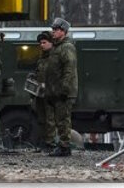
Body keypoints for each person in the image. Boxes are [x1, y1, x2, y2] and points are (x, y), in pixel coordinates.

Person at [46, 17, 78, 157]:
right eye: (53, 29)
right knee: (60, 119)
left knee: (63, 119)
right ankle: (63, 145)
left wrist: (64, 89)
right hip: (57, 90)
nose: (53, 32)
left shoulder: (66, 47)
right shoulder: (57, 47)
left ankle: (64, 146)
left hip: (63, 91)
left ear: (63, 31)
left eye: (56, 30)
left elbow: (69, 69)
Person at [32, 31, 57, 152]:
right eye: (40, 43)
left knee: (50, 119)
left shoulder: (55, 58)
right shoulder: (41, 59)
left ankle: (51, 143)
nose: (41, 45)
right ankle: (44, 142)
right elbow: (38, 73)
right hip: (40, 93)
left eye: (44, 42)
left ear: (51, 43)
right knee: (41, 119)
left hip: (51, 93)